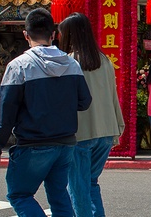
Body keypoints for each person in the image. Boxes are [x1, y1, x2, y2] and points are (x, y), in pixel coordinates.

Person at [0, 8, 91, 217]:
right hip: (65, 143)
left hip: (33, 143)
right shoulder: (72, 64)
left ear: (26, 35)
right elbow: (85, 101)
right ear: (53, 34)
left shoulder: (19, 66)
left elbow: (5, 111)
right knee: (59, 195)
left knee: (19, 195)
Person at [58, 12, 126, 217]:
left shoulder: (67, 62)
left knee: (78, 190)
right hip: (106, 132)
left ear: (69, 35)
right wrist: (118, 127)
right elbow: (113, 96)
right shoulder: (104, 60)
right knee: (90, 183)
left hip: (80, 134)